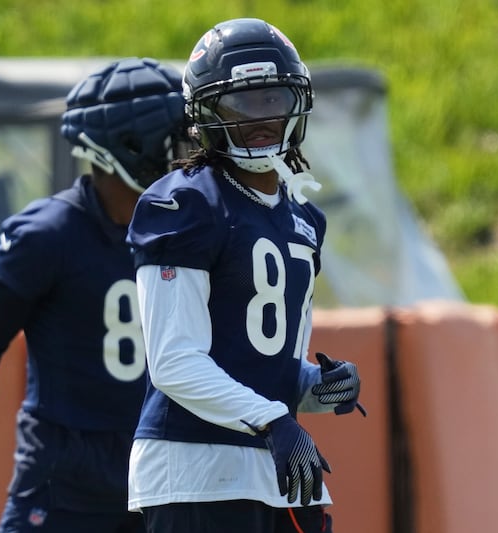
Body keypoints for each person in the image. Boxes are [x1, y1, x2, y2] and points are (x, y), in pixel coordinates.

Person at [126, 18, 364, 533]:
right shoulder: (184, 202)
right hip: (196, 469)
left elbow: (260, 366)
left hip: (279, 469)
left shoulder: (304, 218)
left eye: (273, 99)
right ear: (205, 114)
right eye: (241, 103)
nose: (261, 118)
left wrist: (316, 386)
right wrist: (274, 420)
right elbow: (173, 362)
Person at [0, 57, 187, 533]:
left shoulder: (190, 227)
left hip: (163, 465)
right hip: (67, 475)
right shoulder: (46, 236)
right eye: (173, 142)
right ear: (131, 147)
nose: (187, 156)